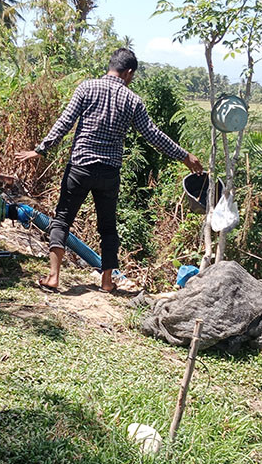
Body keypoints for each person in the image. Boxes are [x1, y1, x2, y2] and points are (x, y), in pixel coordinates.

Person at [14, 47, 203, 293]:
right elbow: (153, 135)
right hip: (108, 173)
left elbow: (65, 121)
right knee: (108, 228)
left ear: (111, 66)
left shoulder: (86, 88)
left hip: (80, 167)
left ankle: (53, 277)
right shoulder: (133, 100)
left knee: (62, 220)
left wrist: (40, 149)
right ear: (129, 72)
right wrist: (184, 156)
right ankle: (106, 282)